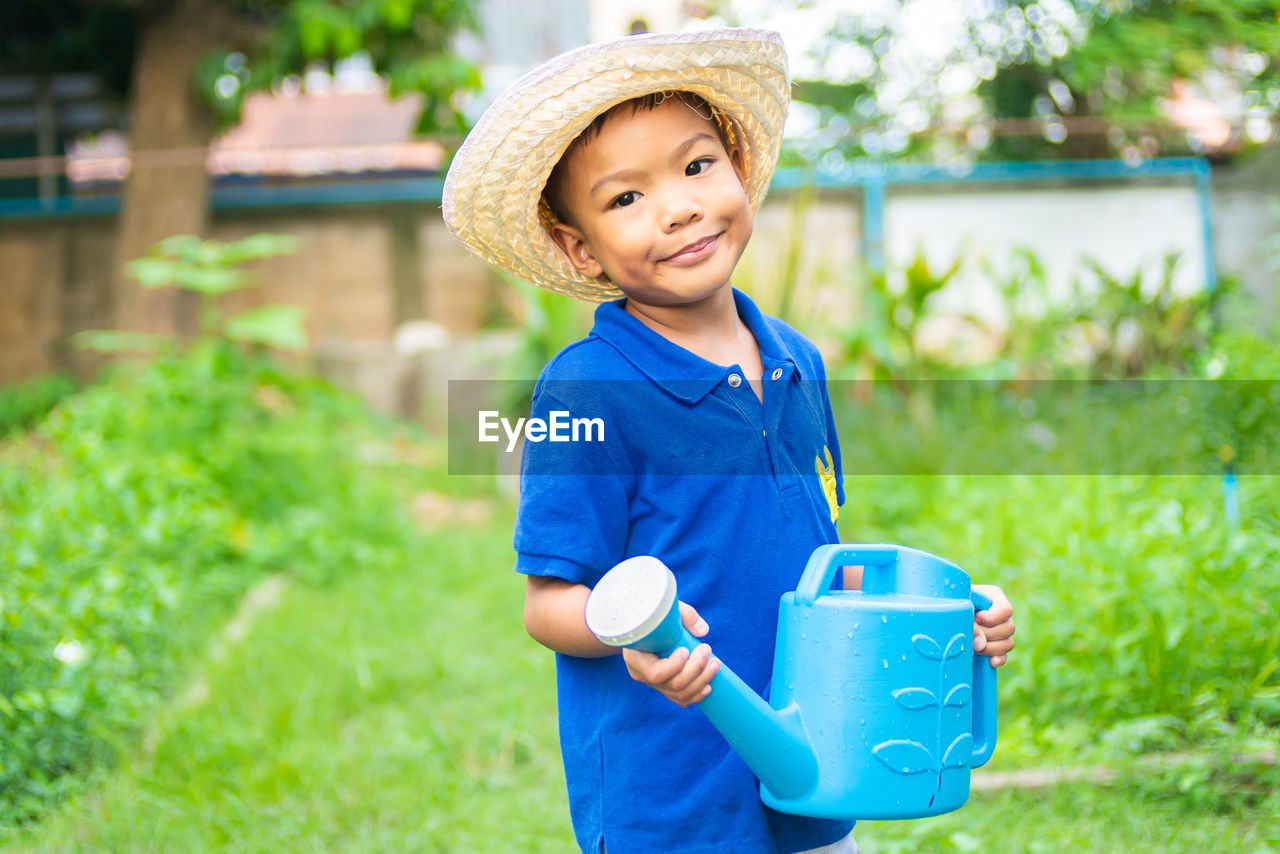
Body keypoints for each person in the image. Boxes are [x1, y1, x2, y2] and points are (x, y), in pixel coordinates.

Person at [442, 28, 1015, 854]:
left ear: (739, 169)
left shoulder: (795, 360)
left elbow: (818, 562)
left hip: (815, 769)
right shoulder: (588, 390)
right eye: (625, 199)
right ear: (580, 247)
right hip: (672, 798)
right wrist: (636, 634)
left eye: (696, 166)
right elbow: (547, 605)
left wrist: (950, 620)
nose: (677, 206)